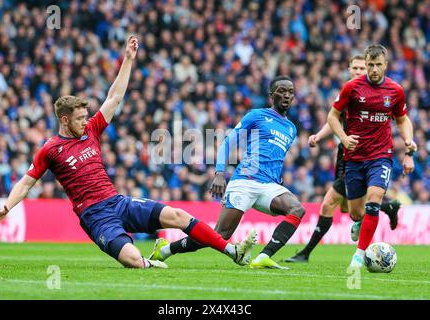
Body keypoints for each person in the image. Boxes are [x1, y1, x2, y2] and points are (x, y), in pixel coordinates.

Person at [0, 35, 257, 269]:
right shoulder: (51, 149)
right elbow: (27, 181)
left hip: (117, 202)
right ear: (64, 120)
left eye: (86, 116)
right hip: (95, 216)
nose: (86, 120)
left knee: (179, 216)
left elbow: (114, 98)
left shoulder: (91, 129)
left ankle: (232, 251)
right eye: (80, 117)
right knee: (131, 259)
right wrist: (8, 206)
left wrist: (127, 60)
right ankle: (148, 262)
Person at [150, 75, 305, 269]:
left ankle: (264, 256)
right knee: (220, 236)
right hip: (245, 181)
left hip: (270, 185)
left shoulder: (291, 128)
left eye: (291, 92)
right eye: (282, 91)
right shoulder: (256, 115)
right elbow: (228, 143)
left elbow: (275, 157)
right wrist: (219, 173)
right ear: (271, 95)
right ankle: (165, 250)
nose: (287, 95)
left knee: (297, 209)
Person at [285, 55, 402, 263]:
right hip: (347, 156)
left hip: (367, 156)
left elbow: (397, 117)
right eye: (355, 68)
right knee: (349, 209)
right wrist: (319, 137)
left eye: (361, 68)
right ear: (349, 69)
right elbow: (334, 120)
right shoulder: (350, 91)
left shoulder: (373, 92)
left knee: (330, 204)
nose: (358, 71)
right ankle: (387, 207)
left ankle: (306, 253)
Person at [326, 44, 416, 268]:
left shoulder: (395, 90)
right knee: (356, 212)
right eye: (370, 65)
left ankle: (359, 255)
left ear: (385, 65)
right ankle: (359, 224)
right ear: (366, 65)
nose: (374, 69)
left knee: (374, 200)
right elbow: (332, 117)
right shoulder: (352, 87)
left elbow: (403, 120)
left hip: (381, 155)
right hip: (354, 157)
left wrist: (408, 144)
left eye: (378, 65)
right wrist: (344, 138)